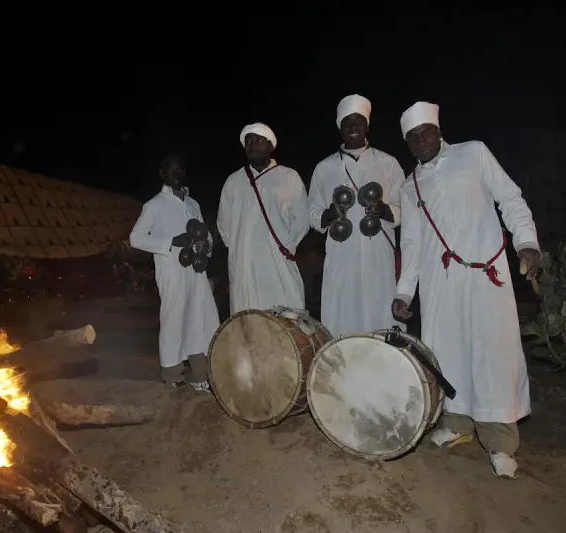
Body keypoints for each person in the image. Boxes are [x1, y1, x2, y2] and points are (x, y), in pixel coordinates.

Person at [392, 101, 541, 479]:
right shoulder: (409, 186)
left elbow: (510, 198)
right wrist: (405, 292)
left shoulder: (473, 154)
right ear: (407, 143)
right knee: (447, 352)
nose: (420, 141)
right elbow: (411, 243)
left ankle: (500, 441)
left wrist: (526, 242)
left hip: (484, 275)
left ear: (439, 131)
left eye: (426, 132)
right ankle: (457, 424)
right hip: (439, 282)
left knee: (493, 352)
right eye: (412, 137)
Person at [308, 94, 404, 336]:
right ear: (339, 127)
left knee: (380, 318)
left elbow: (405, 207)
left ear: (367, 125)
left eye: (358, 120)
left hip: (378, 256)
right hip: (341, 257)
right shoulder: (324, 168)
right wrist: (329, 214)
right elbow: (312, 212)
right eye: (346, 121)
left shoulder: (388, 163)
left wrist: (384, 210)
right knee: (342, 318)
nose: (352, 126)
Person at [129, 154, 220, 391]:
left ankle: (199, 373)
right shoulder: (155, 205)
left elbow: (205, 234)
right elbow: (136, 238)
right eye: (171, 170)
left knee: (200, 317)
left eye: (180, 170)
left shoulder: (192, 204)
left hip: (196, 273)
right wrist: (171, 242)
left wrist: (205, 247)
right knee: (174, 318)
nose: (176, 174)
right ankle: (172, 373)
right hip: (172, 272)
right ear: (163, 173)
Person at [217, 123, 310, 313]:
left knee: (284, 319)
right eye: (248, 141)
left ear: (270, 146)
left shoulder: (288, 177)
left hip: (277, 263)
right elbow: (224, 225)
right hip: (244, 265)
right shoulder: (233, 181)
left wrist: (286, 245)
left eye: (259, 140)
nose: (253, 145)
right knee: (247, 319)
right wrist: (242, 248)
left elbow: (302, 219)